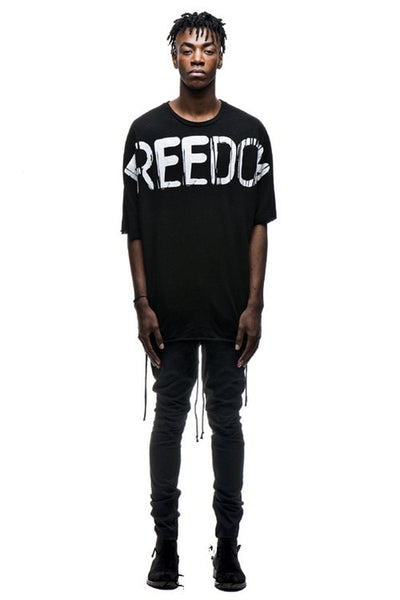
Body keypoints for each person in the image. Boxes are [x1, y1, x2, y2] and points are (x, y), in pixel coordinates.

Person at [121, 11, 276, 591]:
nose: (196, 58)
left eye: (206, 49)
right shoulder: (145, 132)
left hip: (229, 306)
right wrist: (141, 301)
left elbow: (260, 223)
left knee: (227, 422)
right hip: (168, 307)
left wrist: (255, 303)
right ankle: (165, 546)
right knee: (167, 420)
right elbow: (134, 227)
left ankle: (227, 548)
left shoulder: (249, 133)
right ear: (173, 57)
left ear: (221, 58)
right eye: (187, 48)